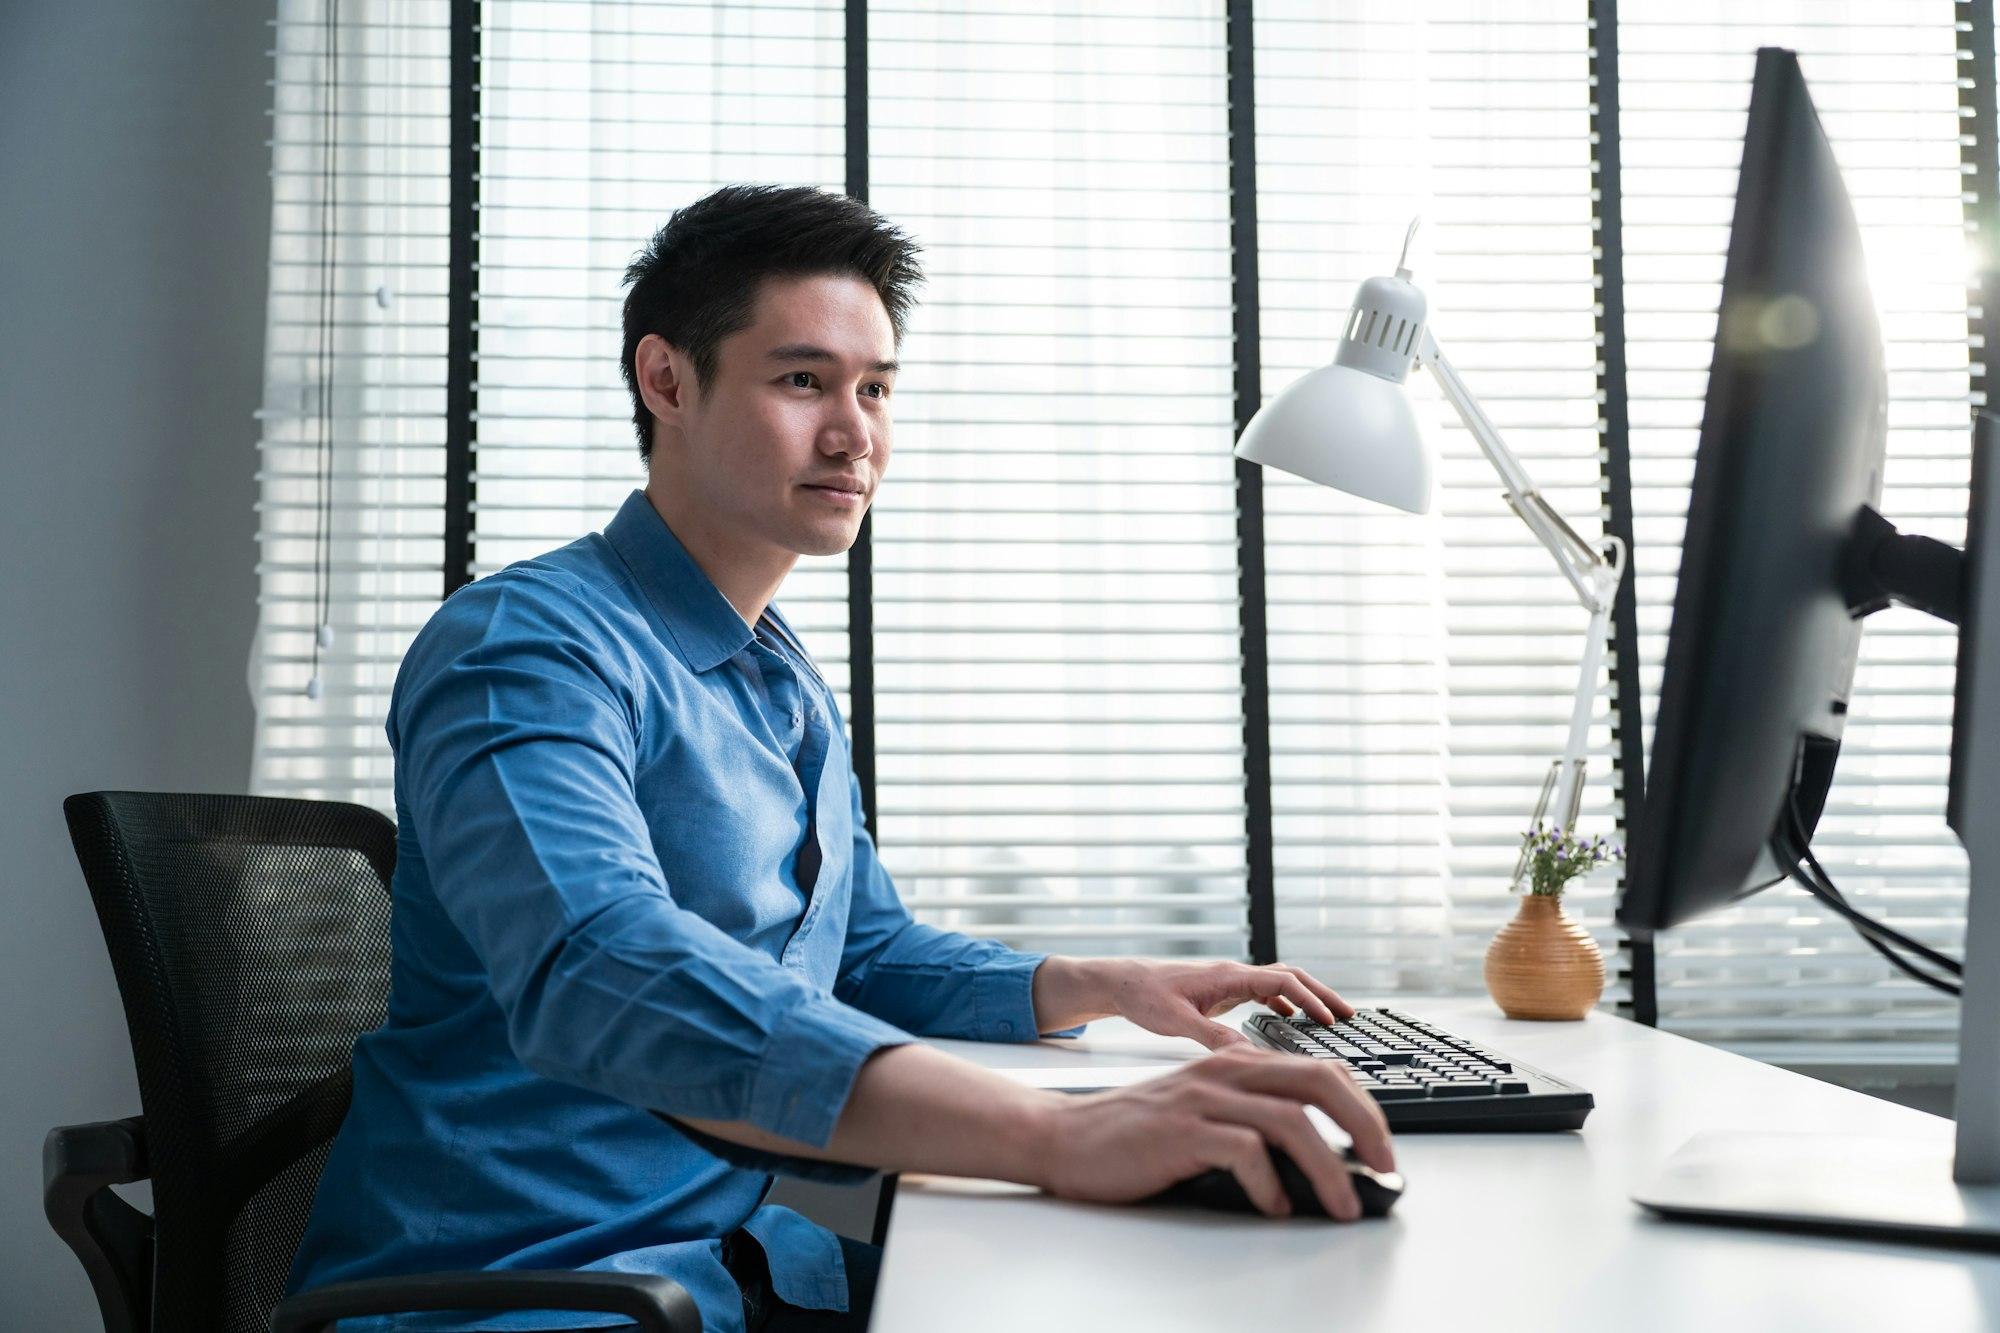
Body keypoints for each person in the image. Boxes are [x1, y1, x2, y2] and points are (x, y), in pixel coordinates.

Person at [285, 184, 1394, 1333]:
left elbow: (857, 950)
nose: (854, 431)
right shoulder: (524, 648)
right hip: (524, 1289)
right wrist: (1051, 1134)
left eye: (875, 388)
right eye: (802, 380)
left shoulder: (778, 674)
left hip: (730, 1265)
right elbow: (598, 965)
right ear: (665, 380)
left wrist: (1095, 985)